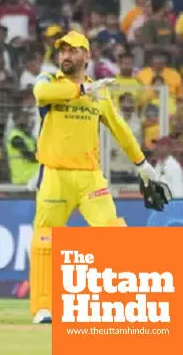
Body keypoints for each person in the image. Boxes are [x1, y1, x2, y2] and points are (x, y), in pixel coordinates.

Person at [29, 31, 160, 324]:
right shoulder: (49, 80)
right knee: (46, 241)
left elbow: (120, 128)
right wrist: (82, 91)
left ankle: (123, 304)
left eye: (73, 51)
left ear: (86, 56)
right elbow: (40, 94)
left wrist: (142, 164)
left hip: (90, 177)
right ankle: (44, 307)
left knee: (113, 236)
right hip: (55, 175)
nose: (66, 56)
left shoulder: (99, 92)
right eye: (63, 51)